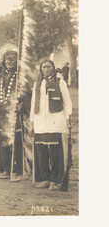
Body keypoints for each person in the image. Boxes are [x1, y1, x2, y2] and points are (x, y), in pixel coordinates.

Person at [31, 59, 73, 190]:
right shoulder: (37, 84)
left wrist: (67, 118)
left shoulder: (60, 82)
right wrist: (32, 121)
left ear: (53, 68)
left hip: (55, 121)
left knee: (55, 152)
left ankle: (55, 180)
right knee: (41, 152)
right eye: (44, 67)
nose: (46, 69)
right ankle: (45, 179)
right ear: (41, 69)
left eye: (49, 67)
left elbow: (67, 102)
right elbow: (33, 103)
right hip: (39, 122)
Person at [0, 44, 24, 181]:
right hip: (2, 113)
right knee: (2, 141)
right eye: (7, 60)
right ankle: (5, 169)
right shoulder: (1, 76)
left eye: (12, 59)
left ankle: (16, 171)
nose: (9, 62)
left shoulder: (20, 77)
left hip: (15, 114)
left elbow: (26, 93)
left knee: (15, 142)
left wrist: (20, 104)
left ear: (17, 60)